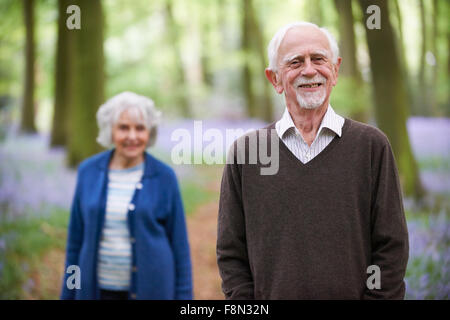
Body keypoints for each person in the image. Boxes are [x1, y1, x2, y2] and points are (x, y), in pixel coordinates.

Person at [216, 22, 409, 299]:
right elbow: (231, 253)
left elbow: (391, 248)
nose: (309, 70)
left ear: (335, 70)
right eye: (295, 62)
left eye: (318, 59)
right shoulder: (246, 153)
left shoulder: (371, 147)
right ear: (275, 79)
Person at [61, 91, 193, 300]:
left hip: (154, 292)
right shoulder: (88, 172)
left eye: (140, 128)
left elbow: (180, 249)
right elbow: (75, 245)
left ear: (149, 132)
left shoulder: (164, 177)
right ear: (110, 131)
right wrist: (69, 294)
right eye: (123, 127)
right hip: (96, 292)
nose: (132, 136)